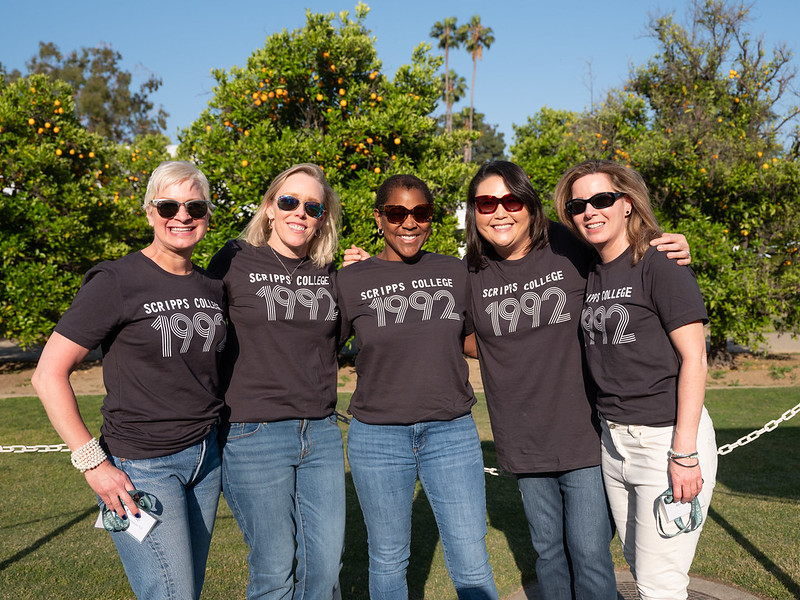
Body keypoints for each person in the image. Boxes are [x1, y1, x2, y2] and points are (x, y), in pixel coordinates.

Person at [462, 160, 691, 600]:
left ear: (529, 205)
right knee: (548, 552)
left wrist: (669, 244)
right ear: (474, 212)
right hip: (521, 437)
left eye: (510, 200)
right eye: (486, 202)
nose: (499, 211)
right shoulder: (471, 271)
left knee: (588, 553)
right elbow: (458, 333)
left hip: (584, 431)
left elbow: (626, 255)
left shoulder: (569, 245)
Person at [32, 160, 226, 600]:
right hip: (142, 467)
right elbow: (47, 375)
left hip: (205, 459)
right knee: (170, 594)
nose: (182, 216)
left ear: (207, 215)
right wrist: (93, 464)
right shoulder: (117, 280)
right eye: (169, 205)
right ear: (149, 212)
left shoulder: (211, 287)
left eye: (195, 206)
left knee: (186, 590)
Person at [553, 159, 716, 600]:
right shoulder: (590, 268)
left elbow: (695, 359)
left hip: (666, 440)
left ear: (627, 203)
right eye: (577, 205)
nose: (590, 211)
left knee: (660, 584)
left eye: (602, 199)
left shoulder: (659, 261)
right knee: (642, 568)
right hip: (613, 441)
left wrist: (684, 453)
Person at [336, 174, 499, 600]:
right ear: (379, 218)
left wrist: (530, 347)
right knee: (389, 558)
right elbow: (315, 348)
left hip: (451, 433)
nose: (409, 223)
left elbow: (472, 339)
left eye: (420, 213)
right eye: (396, 213)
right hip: (377, 438)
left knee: (470, 554)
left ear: (431, 219)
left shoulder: (454, 270)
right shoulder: (350, 280)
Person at [207, 163, 345, 599]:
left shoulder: (327, 271)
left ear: (322, 217)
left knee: (324, 568)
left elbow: (337, 337)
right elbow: (200, 329)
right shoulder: (233, 259)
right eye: (288, 201)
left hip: (320, 433)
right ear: (269, 207)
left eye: (312, 206)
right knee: (273, 568)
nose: (298, 212)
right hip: (254, 432)